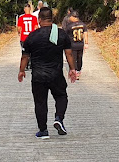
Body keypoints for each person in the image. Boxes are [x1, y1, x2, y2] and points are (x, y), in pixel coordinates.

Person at [18, 7, 77, 139]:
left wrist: (21, 71)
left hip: (38, 76)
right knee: (61, 96)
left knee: (40, 102)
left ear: (39, 19)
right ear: (52, 18)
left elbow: (25, 57)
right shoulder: (61, 34)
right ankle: (59, 118)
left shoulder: (32, 36)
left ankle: (43, 131)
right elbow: (69, 54)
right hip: (56, 74)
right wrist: (72, 69)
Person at [62, 10, 88, 79]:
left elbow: (65, 35)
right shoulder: (83, 25)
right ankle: (79, 70)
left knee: (74, 58)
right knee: (80, 58)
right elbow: (85, 34)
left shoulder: (69, 26)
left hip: (73, 44)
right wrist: (86, 43)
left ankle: (75, 71)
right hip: (80, 44)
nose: (69, 18)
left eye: (70, 17)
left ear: (73, 17)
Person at [16, 4, 39, 69]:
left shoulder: (21, 18)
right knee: (32, 51)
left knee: (25, 52)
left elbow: (19, 28)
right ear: (30, 9)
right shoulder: (34, 18)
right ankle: (31, 64)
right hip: (32, 38)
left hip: (24, 38)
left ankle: (25, 65)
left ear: (24, 10)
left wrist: (19, 33)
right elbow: (36, 27)